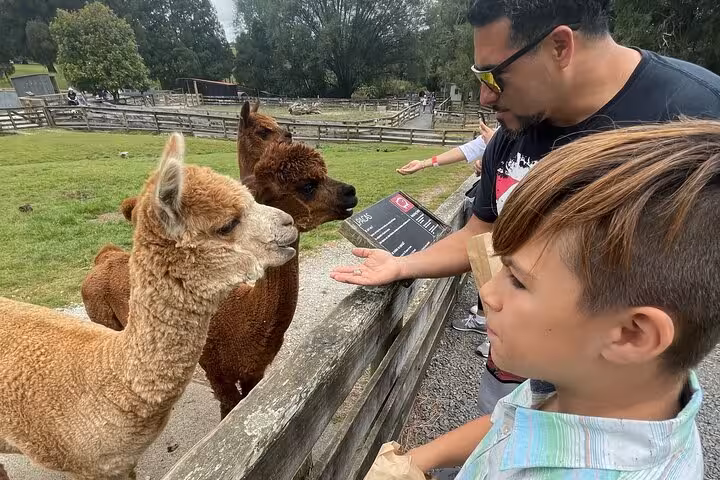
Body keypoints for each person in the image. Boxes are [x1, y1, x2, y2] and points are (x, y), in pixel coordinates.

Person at [331, 0, 720, 416]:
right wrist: (404, 266)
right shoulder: (515, 129)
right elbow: (483, 233)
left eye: (493, 76)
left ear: (559, 47)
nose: (484, 96)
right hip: (516, 363)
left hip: (618, 400)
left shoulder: (698, 115)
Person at [387, 119, 718, 480]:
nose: (487, 293)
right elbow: (513, 423)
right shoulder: (593, 387)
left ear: (631, 334)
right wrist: (418, 459)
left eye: (517, 280)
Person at [397, 122, 496, 176]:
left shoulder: (496, 136)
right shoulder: (498, 132)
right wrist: (423, 164)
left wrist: (494, 143)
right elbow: (466, 150)